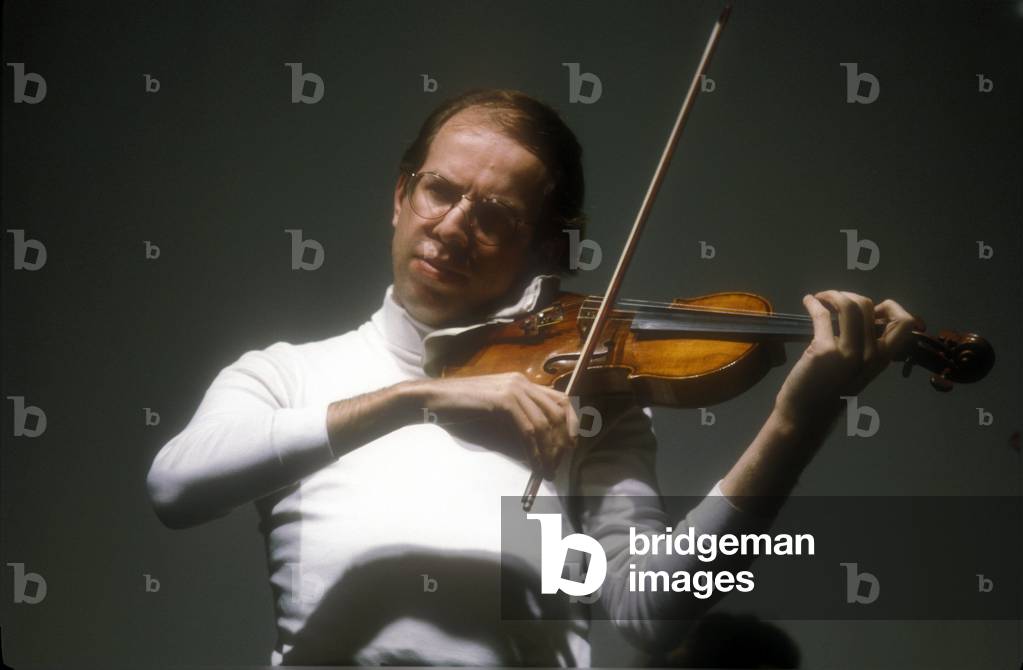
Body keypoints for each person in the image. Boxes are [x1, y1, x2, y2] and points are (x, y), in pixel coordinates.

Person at [145, 88, 919, 666]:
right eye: (439, 191)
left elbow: (649, 614)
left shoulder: (585, 398)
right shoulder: (288, 374)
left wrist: (796, 423)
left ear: (547, 252)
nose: (450, 226)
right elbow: (176, 488)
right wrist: (417, 397)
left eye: (494, 216)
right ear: (400, 195)